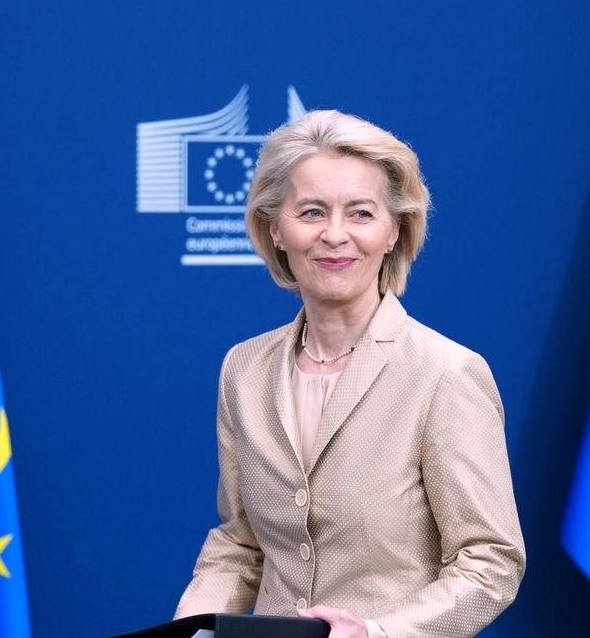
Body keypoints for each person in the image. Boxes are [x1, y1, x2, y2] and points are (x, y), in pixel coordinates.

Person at [175, 110, 525, 637]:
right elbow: (241, 545)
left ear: (394, 231)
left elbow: (492, 562)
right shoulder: (244, 369)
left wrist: (378, 633)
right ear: (275, 229)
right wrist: (190, 632)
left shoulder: (446, 374)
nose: (335, 235)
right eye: (312, 212)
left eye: (361, 213)